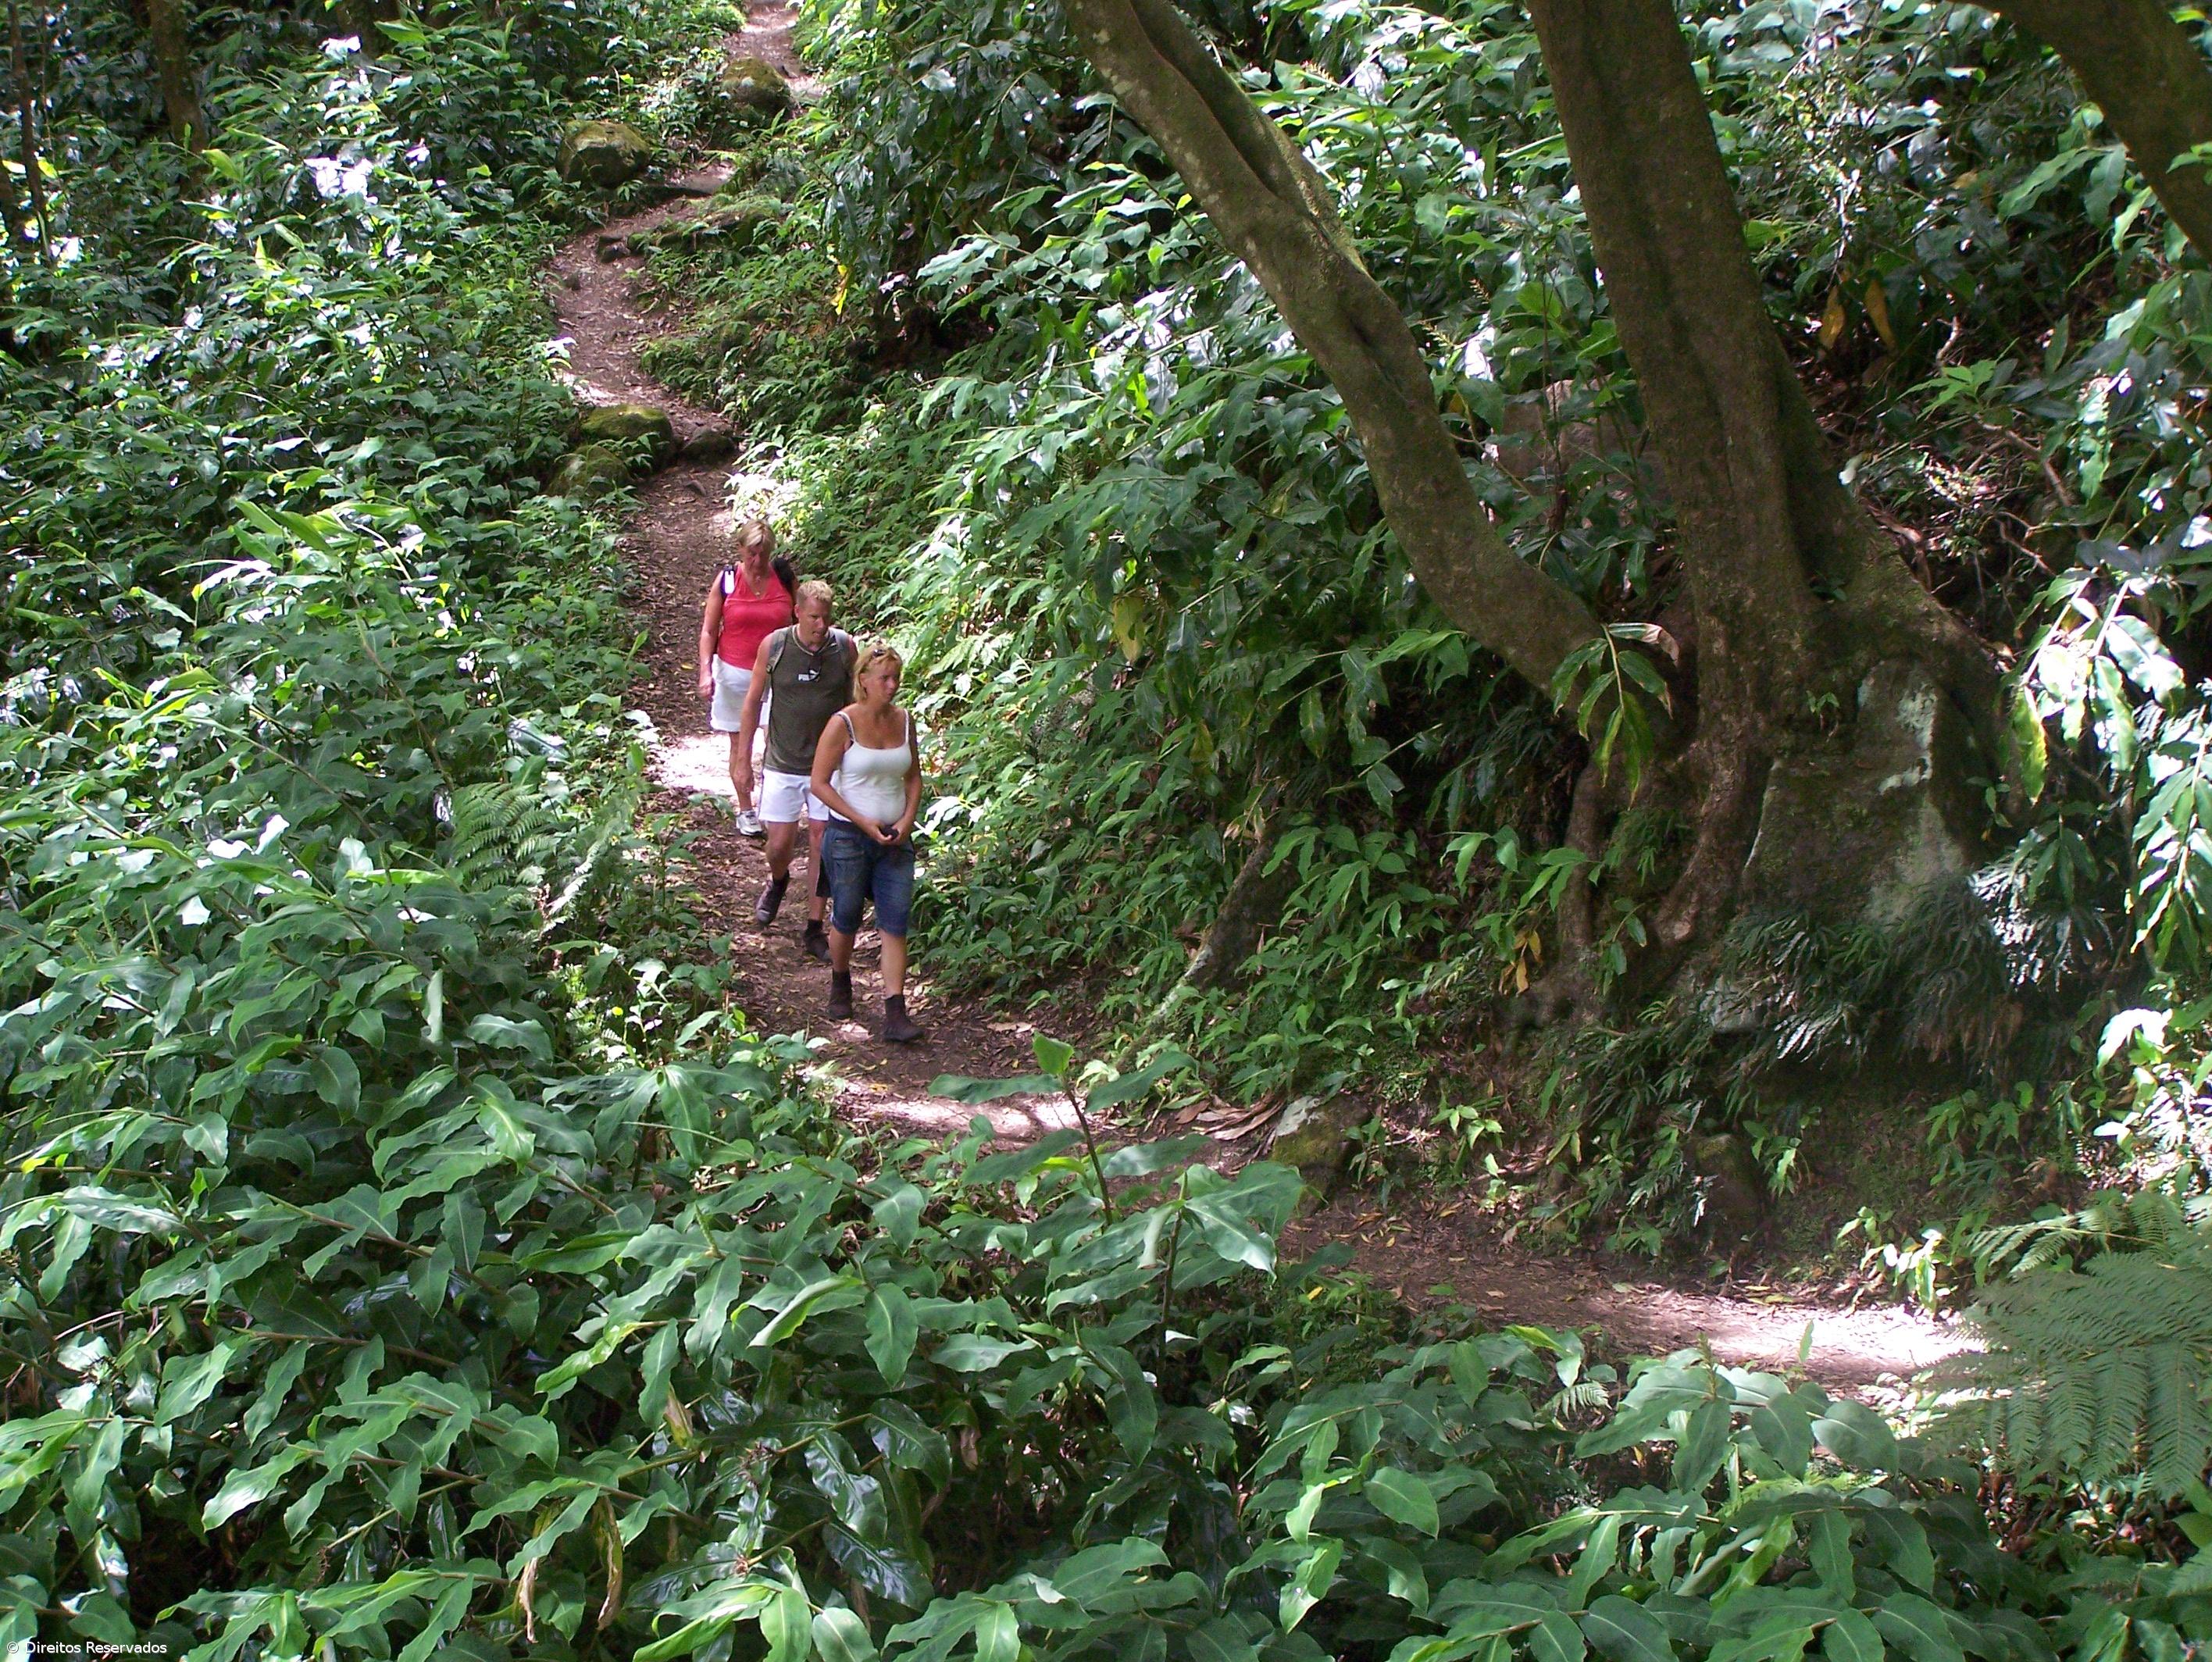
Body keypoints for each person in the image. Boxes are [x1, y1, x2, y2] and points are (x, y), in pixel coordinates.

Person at [809, 642, 924, 1043]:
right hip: (848, 836)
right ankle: (841, 981)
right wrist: (861, 820)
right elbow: (819, 783)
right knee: (846, 916)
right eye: (885, 678)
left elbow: (913, 777)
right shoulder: (843, 723)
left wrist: (907, 822)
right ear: (864, 681)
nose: (892, 685)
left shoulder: (905, 721)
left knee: (895, 920)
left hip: (895, 838)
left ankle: (896, 1011)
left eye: (896, 678)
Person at [736, 578, 854, 962]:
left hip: (828, 767)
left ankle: (815, 926)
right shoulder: (775, 646)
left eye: (827, 618)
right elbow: (753, 701)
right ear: (798, 613)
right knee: (779, 845)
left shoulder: (845, 648)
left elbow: (855, 703)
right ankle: (779, 879)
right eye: (814, 618)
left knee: (822, 840)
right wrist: (743, 757)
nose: (821, 626)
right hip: (783, 762)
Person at [697, 516, 796, 839]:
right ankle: (746, 809)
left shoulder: (783, 577)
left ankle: (773, 807)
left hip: (779, 674)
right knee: (741, 744)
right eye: (752, 553)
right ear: (740, 549)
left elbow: (803, 618)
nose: (757, 561)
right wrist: (705, 672)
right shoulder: (727, 581)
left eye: (763, 554)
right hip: (735, 673)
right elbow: (709, 630)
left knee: (776, 741)